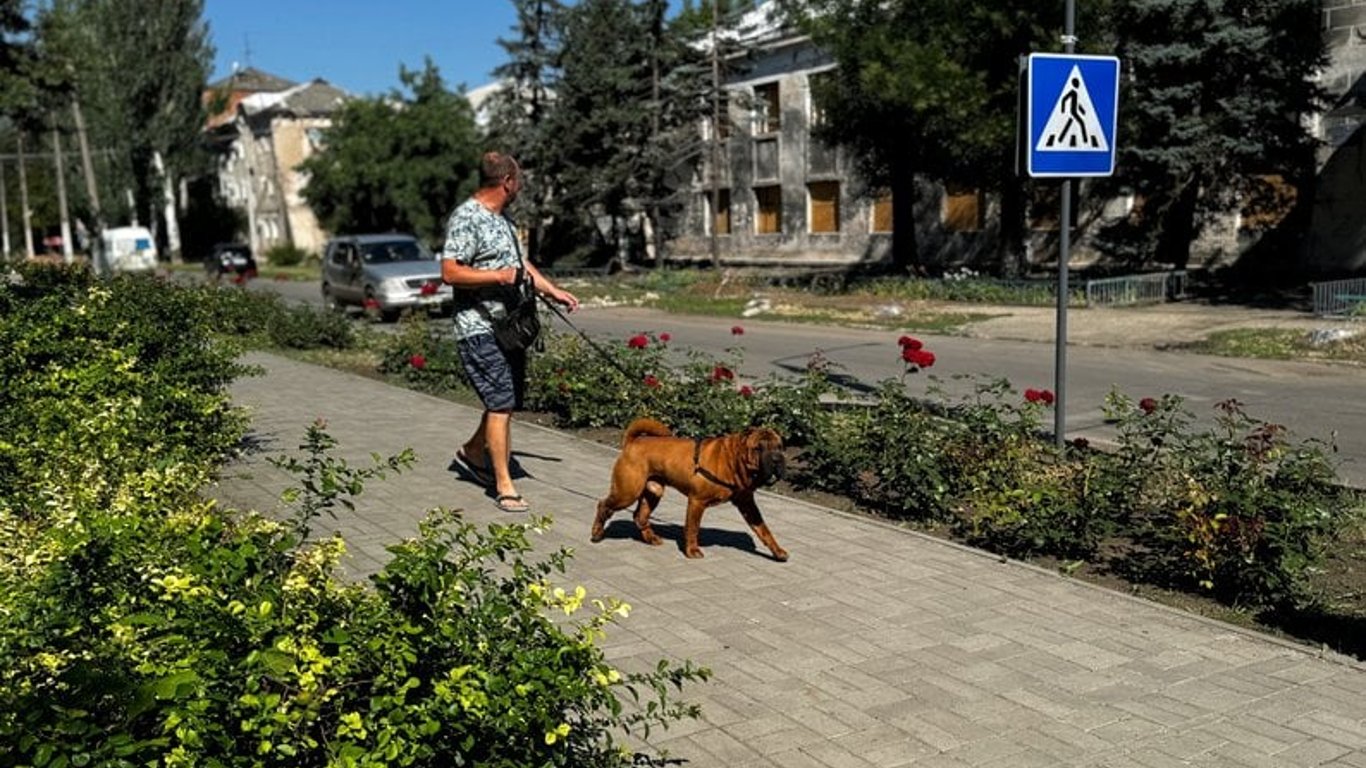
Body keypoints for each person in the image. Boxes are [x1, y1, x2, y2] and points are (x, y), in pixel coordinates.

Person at [440, 151, 579, 512]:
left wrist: (552, 290)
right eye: (519, 180)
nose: (521, 186)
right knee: (501, 402)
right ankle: (504, 485)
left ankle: (473, 452)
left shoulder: (503, 219)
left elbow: (520, 264)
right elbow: (451, 273)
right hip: (478, 327)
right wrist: (498, 276)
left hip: (509, 328)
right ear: (507, 182)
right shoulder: (466, 218)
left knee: (504, 400)